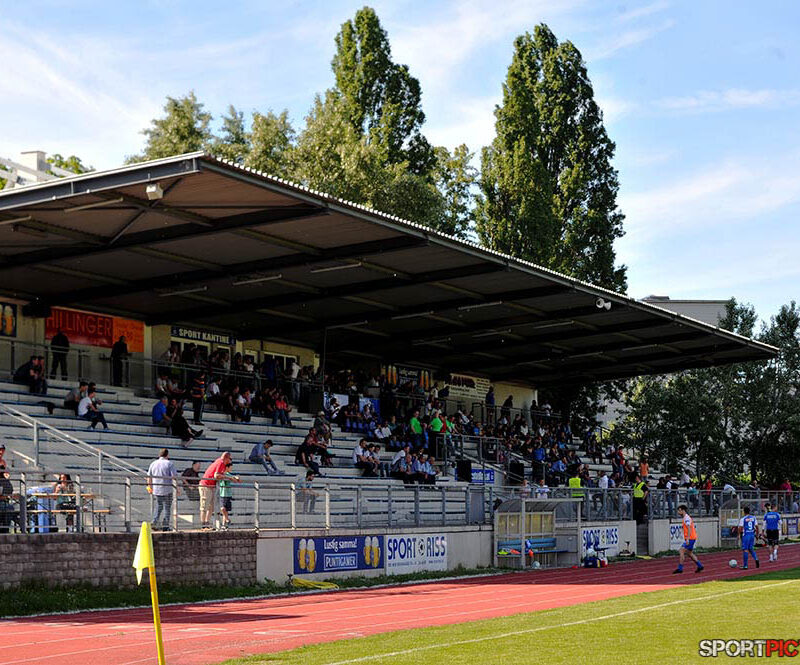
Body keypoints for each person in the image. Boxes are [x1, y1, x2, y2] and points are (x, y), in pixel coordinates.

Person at [199, 452, 232, 530]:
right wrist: (227, 477)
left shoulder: (220, 462)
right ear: (226, 458)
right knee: (204, 505)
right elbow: (216, 475)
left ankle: (207, 524)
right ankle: (203, 524)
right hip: (206, 485)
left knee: (211, 506)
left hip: (211, 486)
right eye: (230, 459)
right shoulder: (221, 462)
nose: (230, 461)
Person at [147, 449, 178, 531]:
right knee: (167, 507)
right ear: (167, 455)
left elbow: (149, 477)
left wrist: (149, 486)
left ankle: (154, 521)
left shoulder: (153, 463)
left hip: (157, 489)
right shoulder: (169, 463)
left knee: (159, 506)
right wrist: (177, 489)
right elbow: (174, 477)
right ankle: (165, 526)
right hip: (167, 489)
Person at [673, 504, 704, 574]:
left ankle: (680, 568)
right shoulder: (685, 518)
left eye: (679, 510)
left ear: (683, 510)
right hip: (692, 538)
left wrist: (687, 539)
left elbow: (689, 528)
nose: (678, 512)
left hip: (690, 538)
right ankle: (700, 566)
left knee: (681, 551)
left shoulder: (686, 518)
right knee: (689, 553)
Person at [218, 461, 240, 530]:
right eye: (230, 467)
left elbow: (236, 480)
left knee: (225, 510)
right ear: (227, 467)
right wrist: (231, 478)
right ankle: (227, 520)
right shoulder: (222, 474)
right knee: (223, 509)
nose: (231, 469)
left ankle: (224, 525)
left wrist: (235, 478)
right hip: (222, 494)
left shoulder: (229, 474)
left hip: (227, 494)